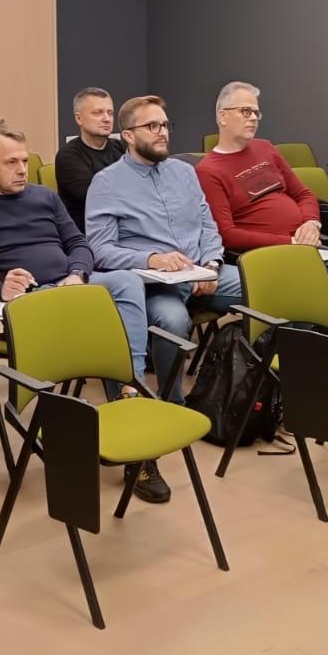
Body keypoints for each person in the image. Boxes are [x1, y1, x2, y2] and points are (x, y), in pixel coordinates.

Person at [0, 122, 158, 474]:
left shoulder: (44, 197)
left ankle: (129, 388)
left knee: (127, 282)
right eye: (11, 162)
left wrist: (76, 274)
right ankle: (100, 424)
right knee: (79, 313)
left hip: (69, 287)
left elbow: (78, 243)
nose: (22, 169)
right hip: (21, 303)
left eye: (25, 161)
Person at [87, 95, 246, 498]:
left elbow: (208, 224)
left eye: (164, 125)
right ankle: (170, 408)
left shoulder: (183, 172)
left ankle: (246, 393)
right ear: (127, 135)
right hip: (156, 284)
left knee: (262, 288)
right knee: (173, 321)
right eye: (152, 126)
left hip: (204, 273)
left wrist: (211, 263)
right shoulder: (106, 183)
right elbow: (101, 249)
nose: (162, 133)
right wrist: (152, 259)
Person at [196, 80, 328, 331]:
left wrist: (312, 223)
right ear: (223, 116)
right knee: (319, 302)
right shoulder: (208, 170)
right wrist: (291, 242)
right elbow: (227, 234)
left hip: (311, 247)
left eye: (256, 112)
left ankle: (311, 340)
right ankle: (306, 342)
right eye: (245, 111)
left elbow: (304, 194)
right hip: (274, 256)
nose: (253, 118)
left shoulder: (265, 148)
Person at [54, 87, 126, 233]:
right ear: (79, 118)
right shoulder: (68, 156)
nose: (106, 119)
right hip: (88, 233)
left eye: (110, 113)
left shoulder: (122, 147)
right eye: (97, 113)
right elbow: (97, 196)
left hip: (123, 227)